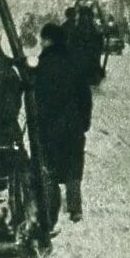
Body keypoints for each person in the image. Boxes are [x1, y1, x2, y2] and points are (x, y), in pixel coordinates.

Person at [34, 23, 92, 223]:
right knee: (74, 165)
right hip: (73, 124)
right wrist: (84, 121)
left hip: (50, 126)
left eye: (43, 39)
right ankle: (75, 207)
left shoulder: (44, 64)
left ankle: (50, 212)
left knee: (50, 167)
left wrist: (39, 124)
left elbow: (39, 98)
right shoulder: (73, 62)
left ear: (49, 40)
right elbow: (85, 96)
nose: (41, 43)